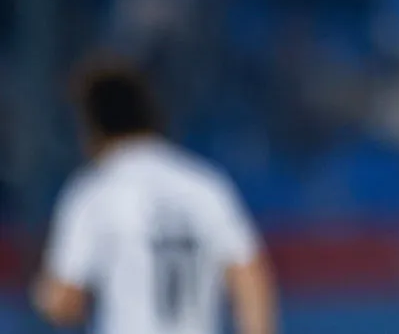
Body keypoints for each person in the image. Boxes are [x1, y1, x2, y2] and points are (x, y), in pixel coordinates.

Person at [33, 57, 277, 334]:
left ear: (92, 126)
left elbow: (63, 300)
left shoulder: (93, 192)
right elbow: (249, 276)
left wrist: (43, 295)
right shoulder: (205, 184)